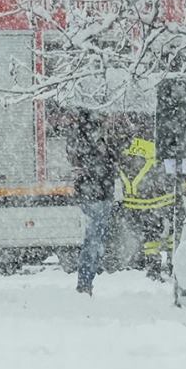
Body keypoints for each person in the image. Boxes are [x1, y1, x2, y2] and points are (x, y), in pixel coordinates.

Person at [68, 111, 120, 296]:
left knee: (94, 242)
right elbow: (99, 168)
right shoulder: (90, 139)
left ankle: (86, 282)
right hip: (96, 197)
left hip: (97, 196)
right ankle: (85, 283)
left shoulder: (86, 138)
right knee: (93, 243)